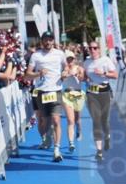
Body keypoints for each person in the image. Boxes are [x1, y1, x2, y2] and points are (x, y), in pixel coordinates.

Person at [26, 32, 69, 162]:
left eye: (50, 40)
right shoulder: (36, 55)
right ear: (42, 41)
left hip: (55, 90)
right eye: (46, 40)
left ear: (53, 41)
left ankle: (57, 150)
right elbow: (27, 74)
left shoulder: (59, 54)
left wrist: (65, 72)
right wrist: (38, 73)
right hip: (41, 92)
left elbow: (65, 66)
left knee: (56, 120)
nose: (48, 42)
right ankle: (46, 138)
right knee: (44, 122)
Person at [83, 39, 118, 162]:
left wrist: (103, 73)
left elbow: (115, 75)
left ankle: (107, 135)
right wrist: (81, 76)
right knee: (96, 121)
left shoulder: (105, 60)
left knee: (104, 121)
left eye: (95, 48)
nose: (92, 50)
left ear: (99, 49)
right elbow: (85, 76)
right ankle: (99, 151)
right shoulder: (86, 62)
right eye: (90, 48)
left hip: (104, 93)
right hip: (91, 93)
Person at [61, 50, 86, 152]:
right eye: (68, 59)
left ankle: (79, 131)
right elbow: (62, 77)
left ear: (74, 59)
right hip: (67, 95)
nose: (70, 61)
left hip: (78, 95)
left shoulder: (79, 68)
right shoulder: (64, 69)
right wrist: (67, 74)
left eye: (71, 59)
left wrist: (77, 75)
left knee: (77, 120)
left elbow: (82, 78)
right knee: (70, 120)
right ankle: (71, 143)